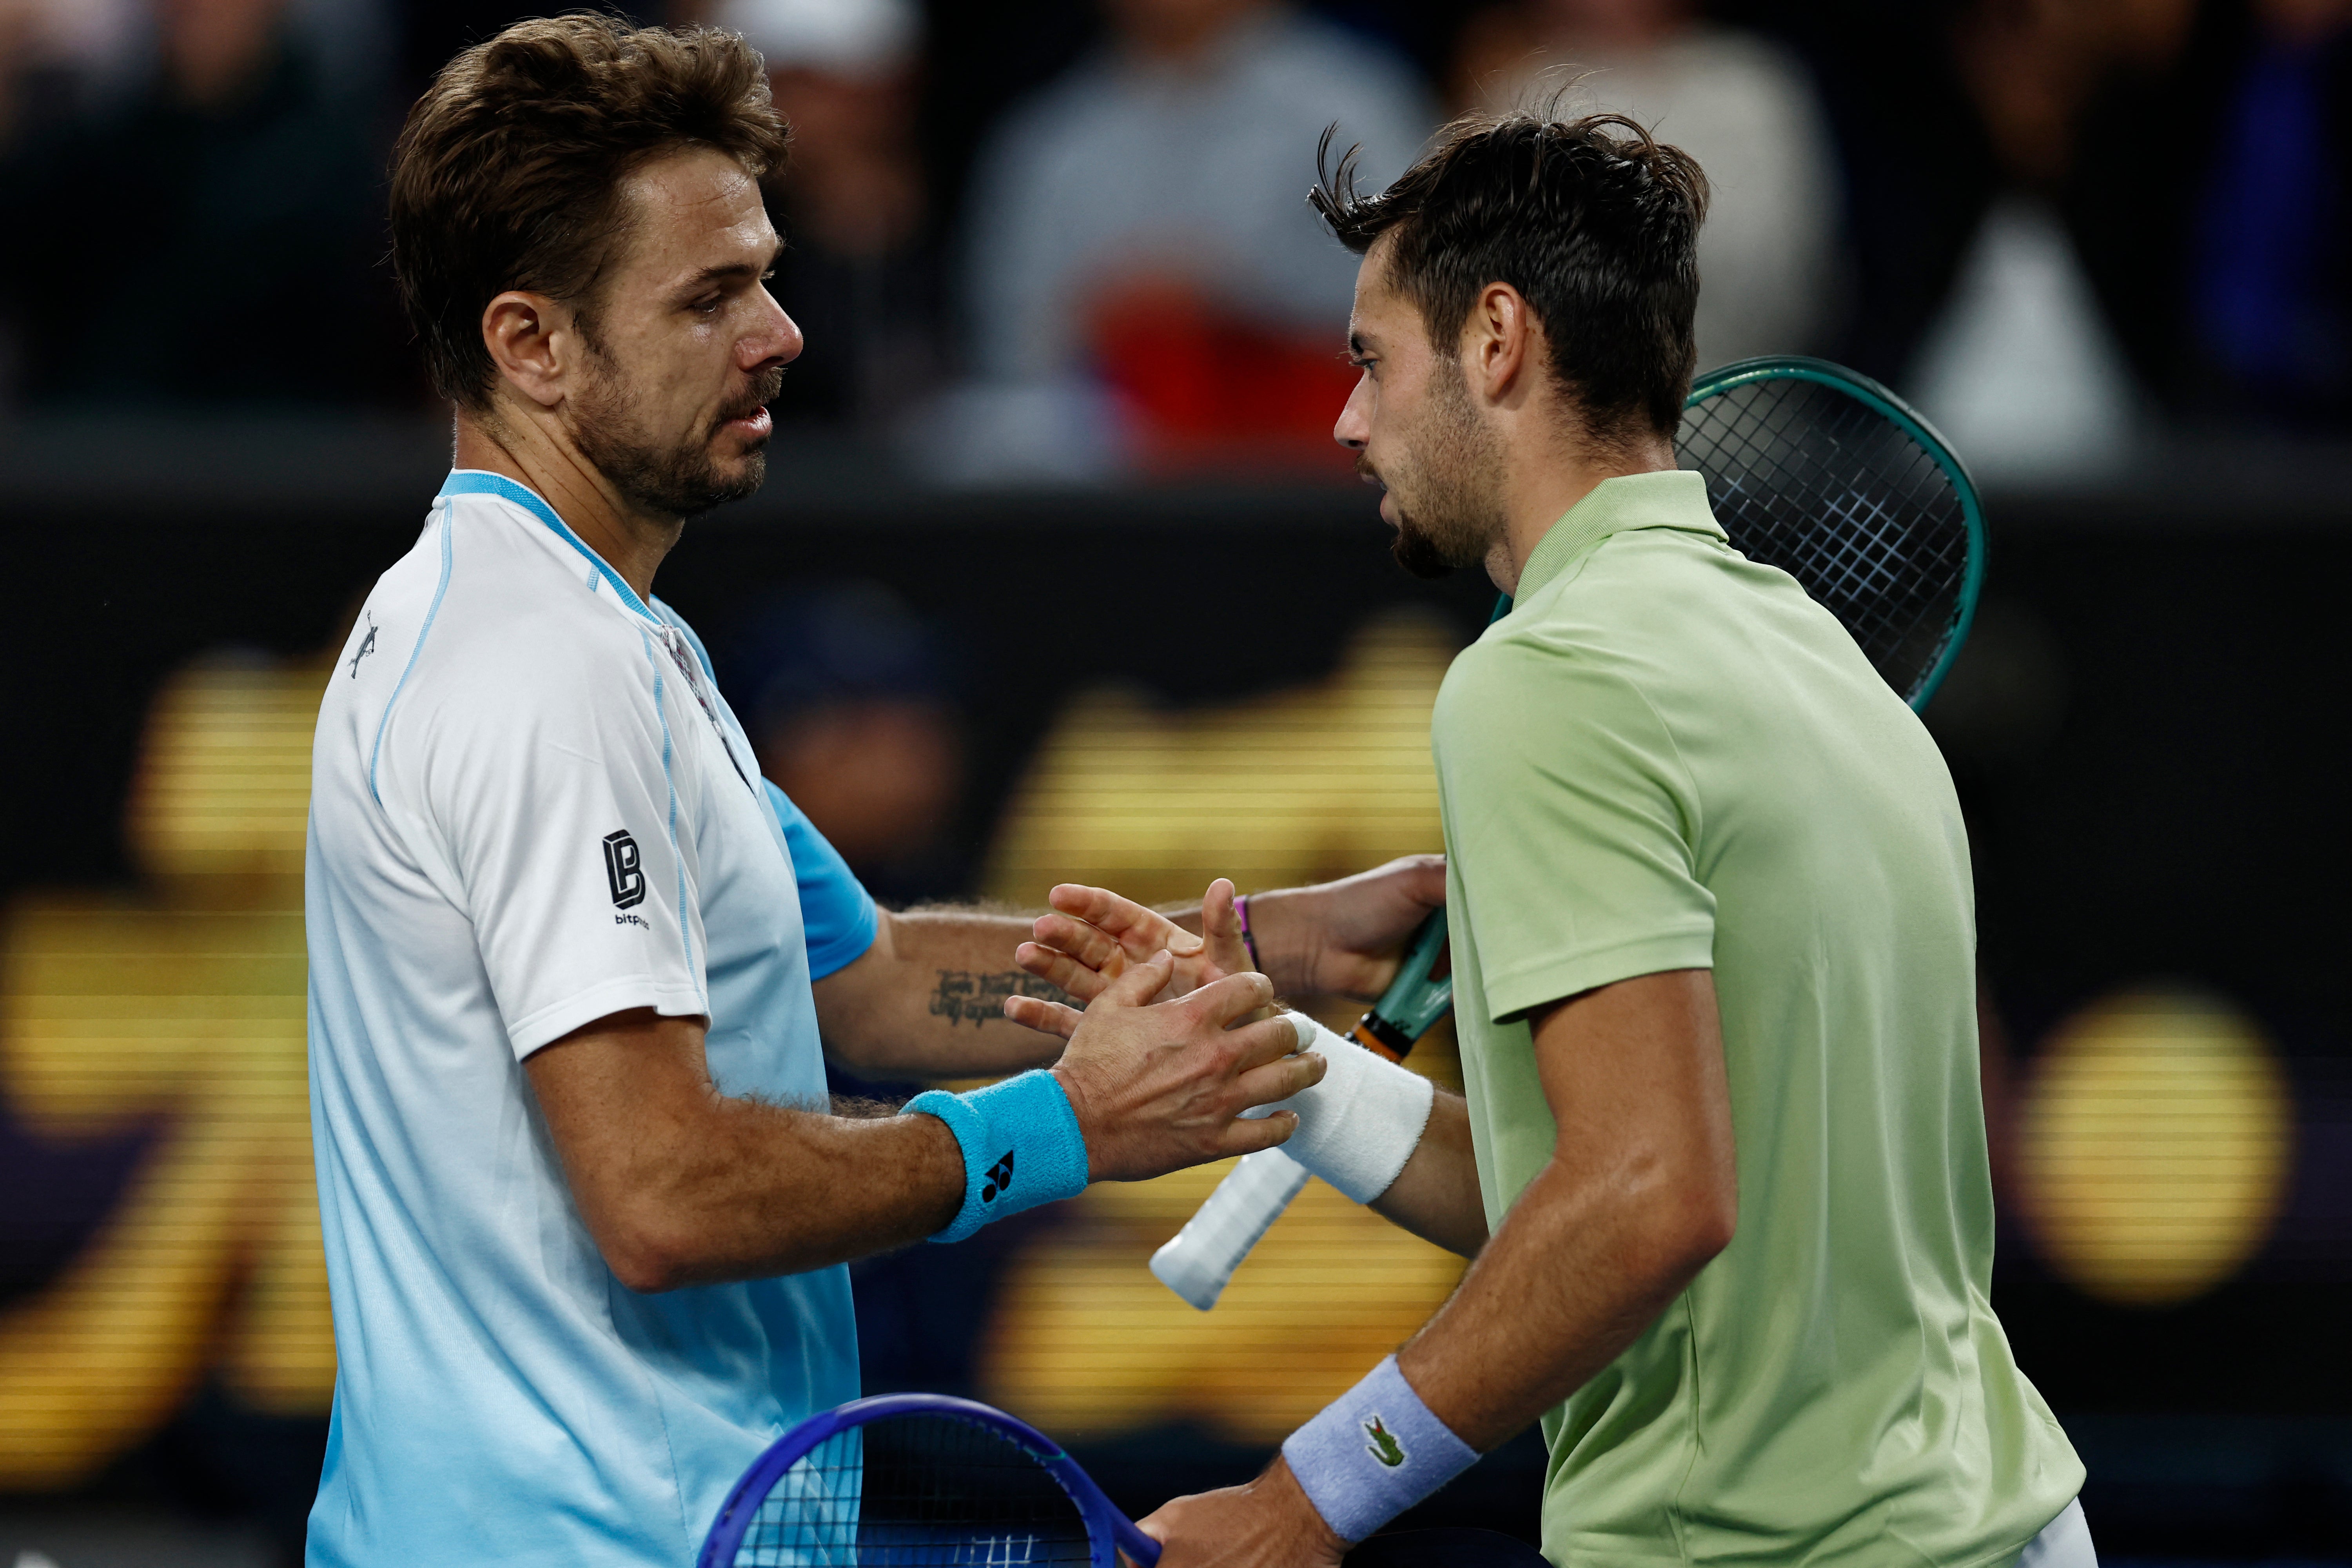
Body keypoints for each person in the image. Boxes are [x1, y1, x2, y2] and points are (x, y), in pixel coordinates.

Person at [304, 18, 1441, 1565]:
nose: (779, 331)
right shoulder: (537, 675)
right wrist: (1061, 1125)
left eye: (765, 274)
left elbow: (872, 983)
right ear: (530, 345)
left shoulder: (613, 639)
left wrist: (1303, 943)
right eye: (711, 296)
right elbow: (663, 1193)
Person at [1014, 108, 2092, 1565]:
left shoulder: (1550, 678)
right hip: (1994, 1524)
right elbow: (1611, 1201)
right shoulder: (1815, 658)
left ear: (1497, 340)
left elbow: (1650, 1203)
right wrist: (1297, 1068)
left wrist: (1302, 1503)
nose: (1347, 421)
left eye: (1371, 360)